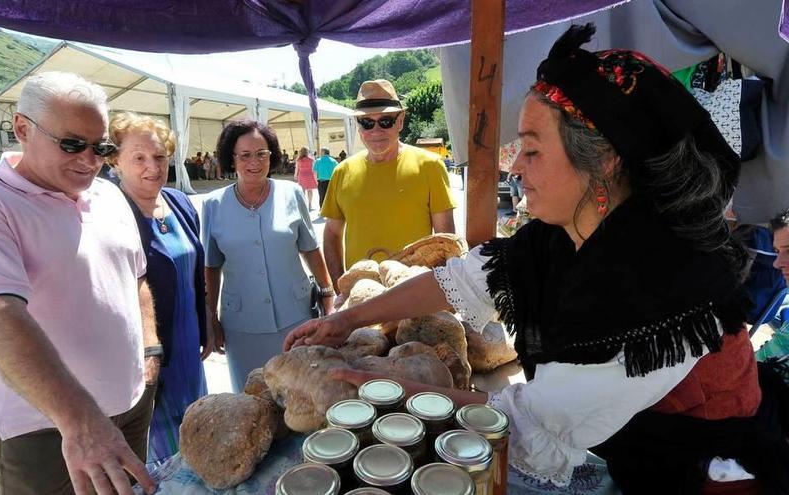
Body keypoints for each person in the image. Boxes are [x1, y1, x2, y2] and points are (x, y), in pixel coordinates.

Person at [286, 25, 789, 494]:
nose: (516, 167)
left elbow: (525, 422)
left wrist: (390, 387)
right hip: (625, 447)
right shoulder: (560, 234)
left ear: (604, 159)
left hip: (700, 475)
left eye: (531, 150)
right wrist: (349, 318)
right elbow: (459, 277)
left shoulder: (661, 284)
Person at [0, 72, 158, 495]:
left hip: (129, 408)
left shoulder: (108, 195)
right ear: (21, 129)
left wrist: (150, 350)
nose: (89, 160)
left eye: (101, 147)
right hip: (49, 430)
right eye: (72, 144)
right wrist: (81, 420)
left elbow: (137, 278)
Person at [201, 119, 335, 393]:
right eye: (245, 155)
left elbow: (310, 247)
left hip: (297, 319)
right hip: (242, 326)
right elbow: (211, 267)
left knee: (303, 396)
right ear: (231, 158)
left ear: (271, 156)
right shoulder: (213, 204)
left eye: (261, 154)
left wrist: (328, 294)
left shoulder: (291, 192)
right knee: (253, 399)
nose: (254, 162)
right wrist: (210, 318)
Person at [108, 112, 210, 466]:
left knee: (198, 434)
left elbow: (198, 270)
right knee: (160, 453)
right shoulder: (110, 213)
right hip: (146, 355)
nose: (152, 167)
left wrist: (207, 323)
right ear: (115, 160)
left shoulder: (179, 202)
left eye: (160, 156)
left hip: (188, 343)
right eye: (139, 158)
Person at [320, 79, 456, 286]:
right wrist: (341, 288)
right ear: (358, 127)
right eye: (366, 122)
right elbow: (331, 234)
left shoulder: (430, 166)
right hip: (361, 296)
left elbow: (445, 240)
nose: (376, 130)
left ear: (400, 120)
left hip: (414, 295)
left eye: (385, 121)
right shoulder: (342, 171)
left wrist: (439, 293)